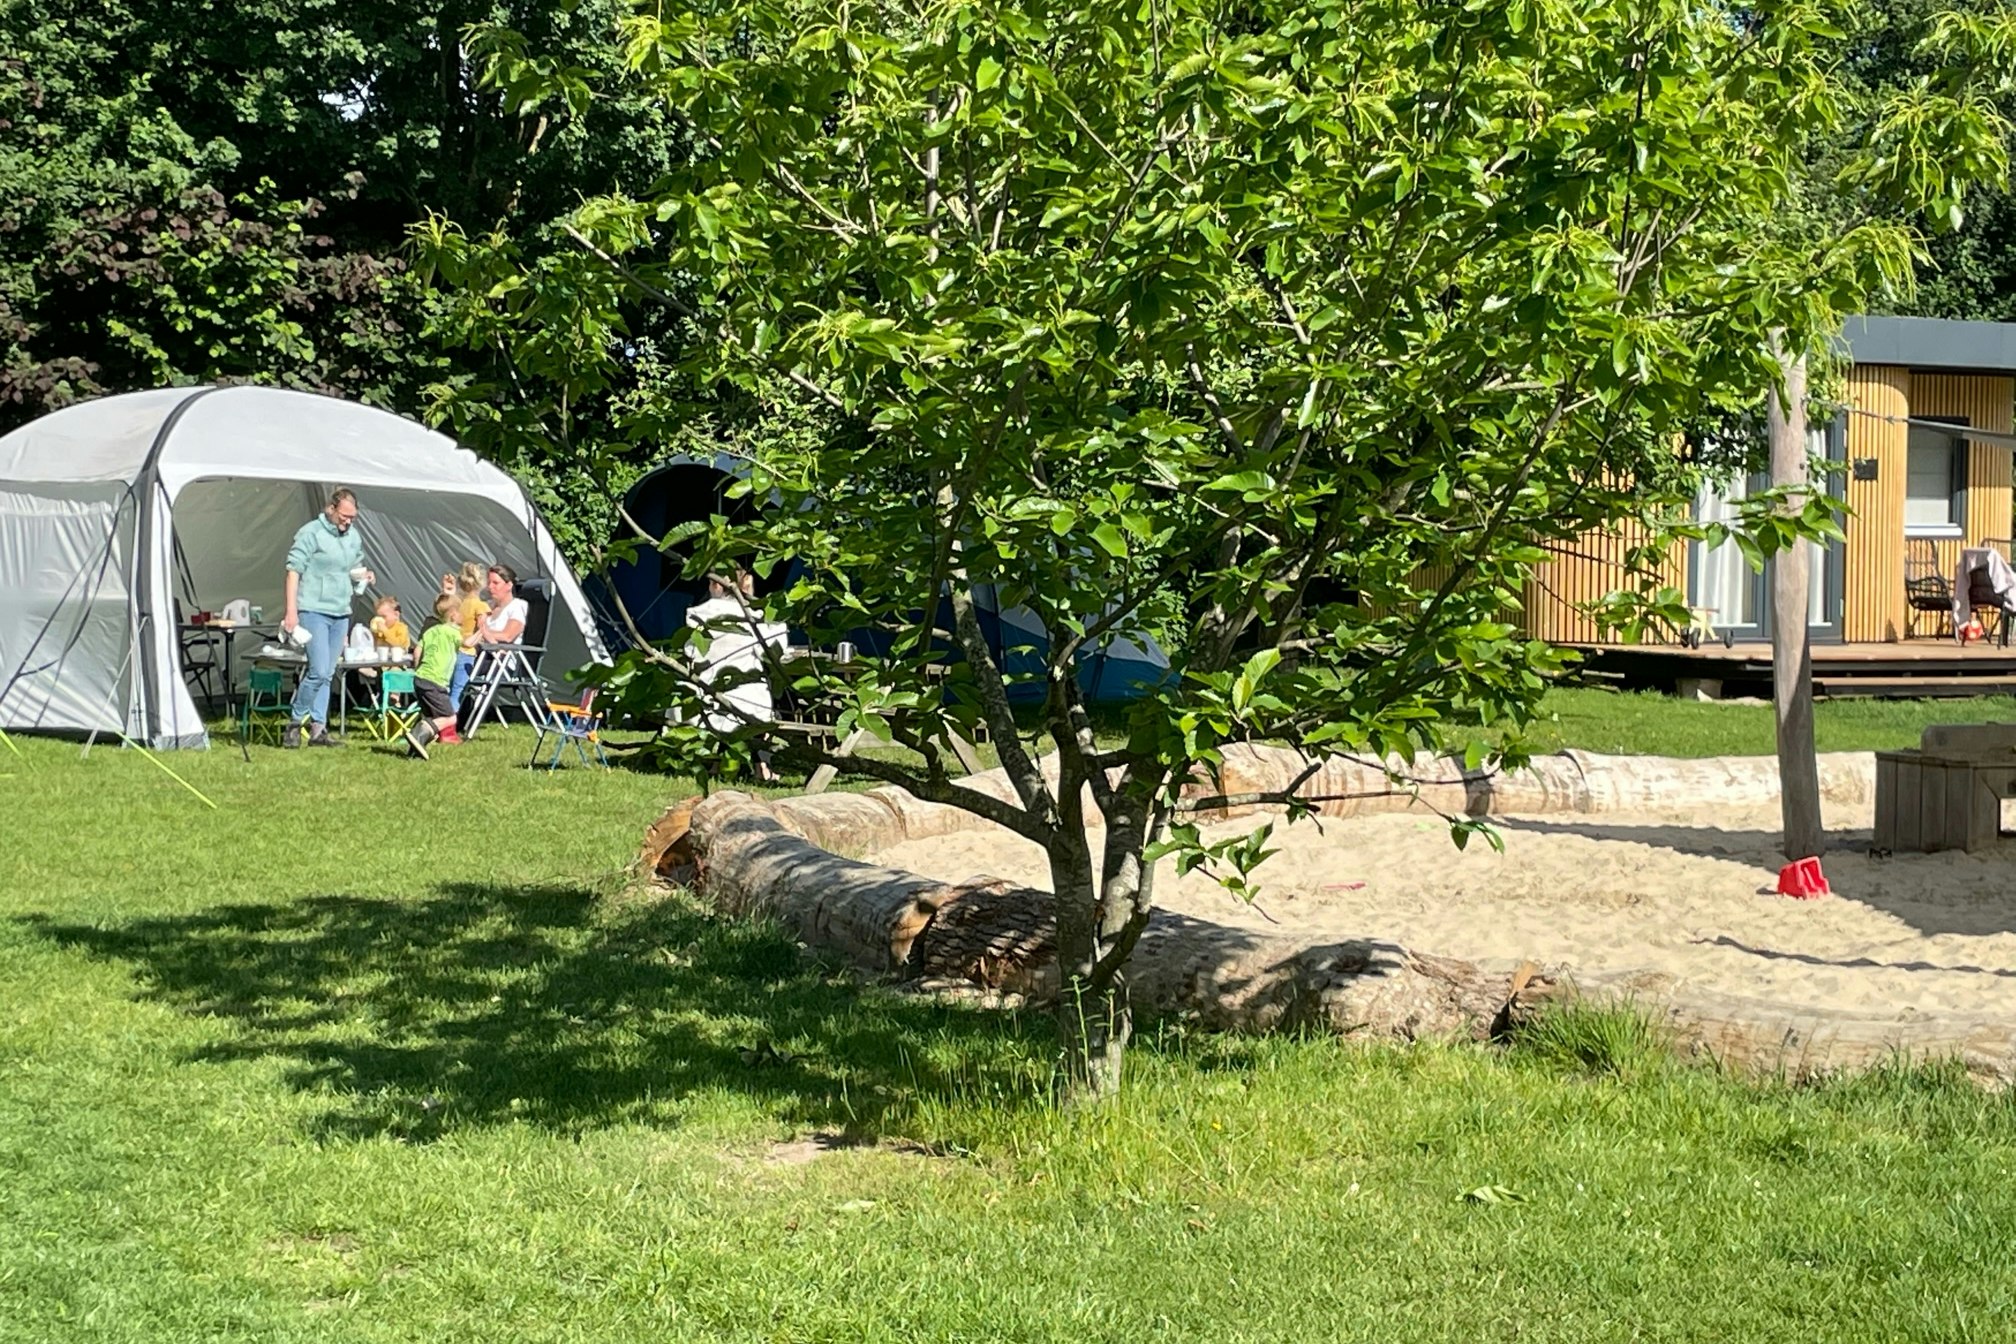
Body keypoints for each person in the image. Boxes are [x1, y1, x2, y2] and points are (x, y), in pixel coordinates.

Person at [280, 487, 371, 748]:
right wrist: (291, 611)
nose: (348, 522)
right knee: (318, 670)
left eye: (353, 517)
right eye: (344, 516)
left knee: (329, 672)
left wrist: (363, 577)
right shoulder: (311, 533)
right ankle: (295, 722)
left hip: (340, 611)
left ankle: (318, 730)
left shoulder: (353, 537)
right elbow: (293, 571)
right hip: (313, 609)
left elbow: (355, 568)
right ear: (330, 509)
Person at [687, 568, 779, 781]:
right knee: (760, 705)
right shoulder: (755, 615)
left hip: (710, 695)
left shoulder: (697, 614)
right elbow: (772, 654)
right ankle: (761, 765)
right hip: (750, 699)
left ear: (715, 585)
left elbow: (692, 653)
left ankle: (716, 764)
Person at [404, 593, 464, 759]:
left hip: (420, 679)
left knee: (432, 716)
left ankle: (415, 748)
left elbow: (417, 652)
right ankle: (419, 733)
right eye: (461, 611)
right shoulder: (453, 632)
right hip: (436, 681)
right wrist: (482, 630)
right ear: (453, 614)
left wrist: (418, 668)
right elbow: (468, 644)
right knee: (449, 718)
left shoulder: (430, 630)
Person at [446, 561, 490, 715]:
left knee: (449, 687)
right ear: (481, 584)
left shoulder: (460, 604)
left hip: (453, 649)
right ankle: (448, 726)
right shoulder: (481, 606)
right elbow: (483, 629)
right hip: (467, 652)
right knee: (458, 691)